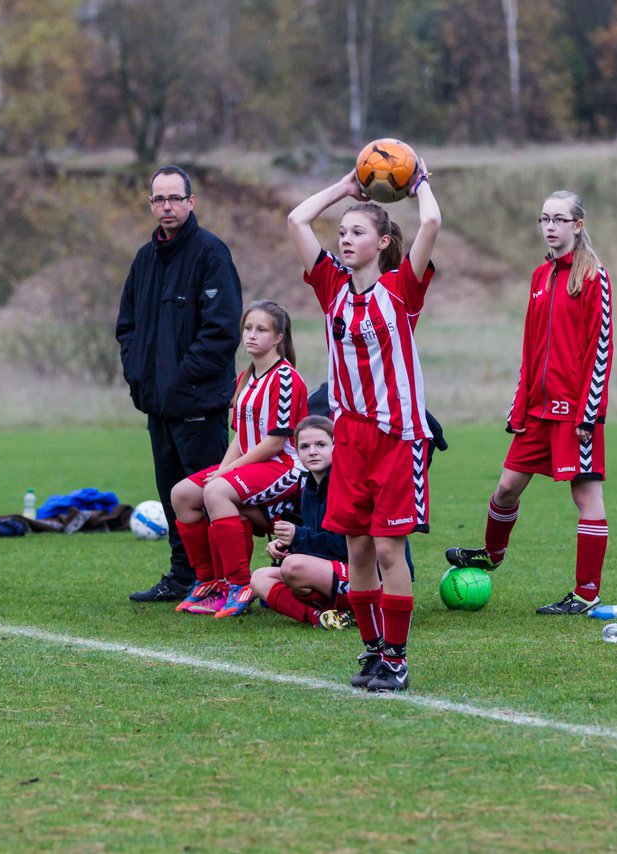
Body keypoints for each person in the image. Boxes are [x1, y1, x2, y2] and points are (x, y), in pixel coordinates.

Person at [287, 162, 440, 692]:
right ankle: (373, 650)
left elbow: (432, 225)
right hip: (349, 437)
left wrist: (418, 181)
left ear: (382, 242)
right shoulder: (332, 286)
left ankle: (397, 657)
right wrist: (345, 189)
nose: (345, 239)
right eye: (343, 232)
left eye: (357, 232)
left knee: (389, 550)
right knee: (356, 551)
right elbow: (297, 219)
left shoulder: (401, 290)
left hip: (397, 437)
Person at [445, 190, 615, 616]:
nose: (550, 226)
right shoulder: (539, 277)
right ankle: (492, 554)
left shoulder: (594, 276)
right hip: (536, 411)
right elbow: (530, 349)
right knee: (506, 487)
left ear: (577, 225)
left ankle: (586, 594)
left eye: (559, 219)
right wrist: (518, 405)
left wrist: (590, 413)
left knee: (586, 499)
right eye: (544, 219)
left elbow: (601, 348)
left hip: (576, 413)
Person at [116, 166, 243, 604]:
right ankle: (182, 574)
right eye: (158, 199)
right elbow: (127, 327)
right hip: (158, 405)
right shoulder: (144, 259)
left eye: (174, 198)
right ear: (150, 205)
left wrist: (178, 378)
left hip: (199, 403)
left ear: (191, 202)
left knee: (210, 496)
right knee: (171, 495)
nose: (166, 206)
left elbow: (223, 331)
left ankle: (226, 581)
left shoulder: (211, 254)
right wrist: (139, 374)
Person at [169, 300, 308, 618]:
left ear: (278, 338)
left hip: (284, 467)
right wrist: (221, 469)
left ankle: (240, 585)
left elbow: (274, 443)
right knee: (183, 494)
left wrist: (227, 473)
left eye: (261, 330)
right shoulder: (246, 378)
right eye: (248, 328)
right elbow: (240, 437)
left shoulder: (286, 379)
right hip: (254, 465)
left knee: (216, 491)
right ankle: (210, 583)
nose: (252, 336)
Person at [250, 415, 356, 630]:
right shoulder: (308, 486)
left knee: (293, 566)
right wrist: (287, 545)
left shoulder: (345, 485)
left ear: (336, 447)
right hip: (334, 571)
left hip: (368, 576)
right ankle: (321, 618)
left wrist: (298, 536)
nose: (313, 451)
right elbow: (318, 540)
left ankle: (366, 608)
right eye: (304, 446)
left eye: (321, 444)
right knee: (259, 578)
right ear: (297, 452)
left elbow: (348, 547)